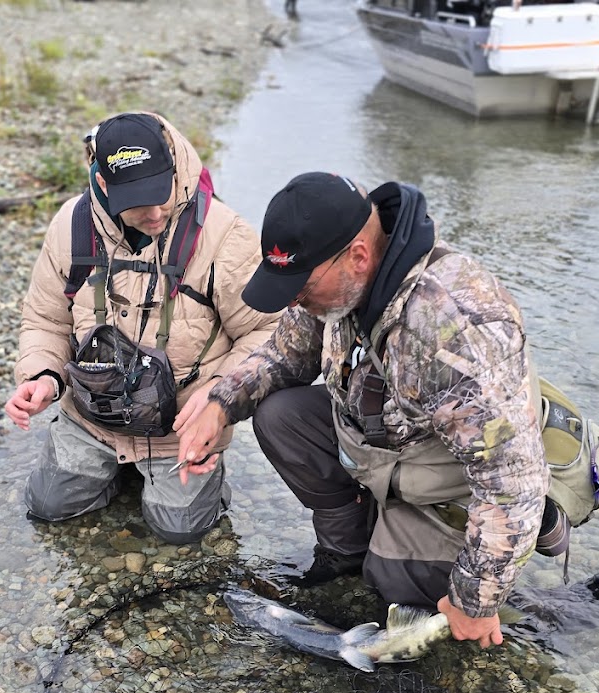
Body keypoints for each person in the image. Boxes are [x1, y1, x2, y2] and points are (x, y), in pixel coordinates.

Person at [177, 171, 562, 648]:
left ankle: (487, 588)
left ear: (358, 257)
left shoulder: (454, 327)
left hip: (459, 483)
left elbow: (512, 485)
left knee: (393, 586)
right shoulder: (333, 287)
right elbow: (286, 356)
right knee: (280, 415)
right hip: (387, 453)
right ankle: (349, 549)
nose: (294, 299)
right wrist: (220, 404)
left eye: (301, 286)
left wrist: (474, 600)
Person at [6, 112, 278, 545]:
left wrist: (220, 400)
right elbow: (44, 320)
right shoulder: (70, 226)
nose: (155, 213)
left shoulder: (226, 236)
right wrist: (42, 376)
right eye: (137, 201)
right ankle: (119, 468)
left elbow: (268, 331)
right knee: (47, 506)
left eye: (161, 192)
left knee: (179, 529)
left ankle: (178, 477)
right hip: (92, 416)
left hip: (179, 428)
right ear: (102, 185)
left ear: (174, 167)